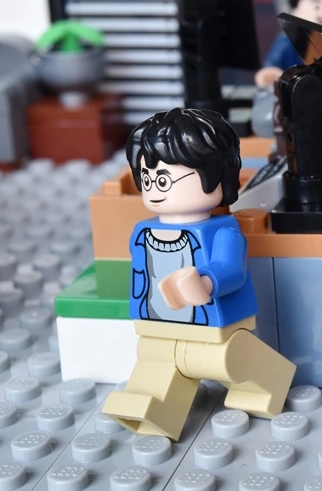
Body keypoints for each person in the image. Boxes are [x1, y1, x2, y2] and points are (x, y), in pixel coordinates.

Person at [101, 108, 296, 441]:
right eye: (147, 178)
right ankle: (151, 409)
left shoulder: (222, 231)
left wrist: (205, 282)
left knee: (226, 360)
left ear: (217, 176)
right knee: (155, 361)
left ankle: (268, 382)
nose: (154, 187)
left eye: (165, 179)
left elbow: (230, 269)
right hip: (157, 323)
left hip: (213, 326)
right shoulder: (144, 231)